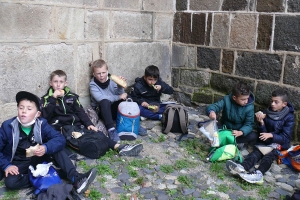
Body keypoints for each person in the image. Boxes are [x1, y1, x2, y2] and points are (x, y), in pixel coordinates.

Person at [0, 91, 96, 194]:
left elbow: (60, 139)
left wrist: (46, 148)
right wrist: (6, 166)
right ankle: (52, 173)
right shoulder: (8, 126)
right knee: (11, 182)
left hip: (38, 157)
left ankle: (75, 178)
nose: (24, 111)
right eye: (21, 108)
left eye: (29, 109)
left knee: (56, 146)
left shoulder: (42, 124)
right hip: (18, 162)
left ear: (38, 114)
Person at [41, 70, 143, 156]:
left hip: (76, 124)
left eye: (61, 82)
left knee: (95, 132)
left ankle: (119, 147)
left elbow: (80, 111)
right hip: (61, 127)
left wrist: (89, 124)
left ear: (65, 83)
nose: (58, 85)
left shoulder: (71, 96)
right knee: (80, 138)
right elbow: (45, 116)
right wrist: (53, 99)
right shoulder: (46, 99)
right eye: (55, 82)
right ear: (51, 83)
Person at [226, 88, 295, 184]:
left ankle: (259, 174)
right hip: (265, 141)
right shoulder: (266, 112)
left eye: (276, 102)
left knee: (269, 156)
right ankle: (242, 167)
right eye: (272, 101)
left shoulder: (289, 117)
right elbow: (262, 133)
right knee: (256, 153)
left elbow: (286, 137)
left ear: (284, 104)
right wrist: (261, 123)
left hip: (278, 144)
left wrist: (271, 135)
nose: (272, 104)